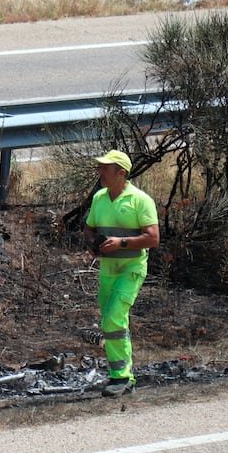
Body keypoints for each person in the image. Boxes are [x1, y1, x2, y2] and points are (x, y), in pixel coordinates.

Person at [84, 150, 159, 397]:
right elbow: (89, 229)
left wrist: (121, 243)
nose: (100, 172)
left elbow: (153, 238)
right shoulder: (99, 198)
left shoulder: (140, 200)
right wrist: (92, 244)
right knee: (112, 321)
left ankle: (122, 377)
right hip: (108, 270)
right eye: (100, 167)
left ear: (121, 173)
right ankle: (120, 374)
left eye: (105, 168)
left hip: (131, 269)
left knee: (113, 319)